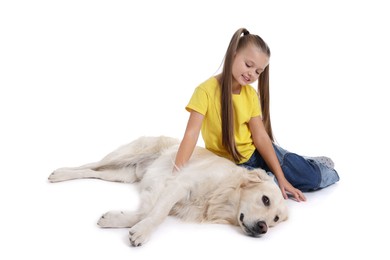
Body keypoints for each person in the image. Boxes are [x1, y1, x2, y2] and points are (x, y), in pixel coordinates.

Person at [173, 28, 339, 202]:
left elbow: (260, 137)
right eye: (248, 65)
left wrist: (281, 177)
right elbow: (191, 135)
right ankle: (289, 169)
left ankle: (314, 165)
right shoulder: (204, 91)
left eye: (258, 71)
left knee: (311, 178)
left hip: (258, 153)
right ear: (233, 54)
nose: (251, 74)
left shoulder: (250, 95)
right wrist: (176, 176)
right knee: (267, 193)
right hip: (232, 166)